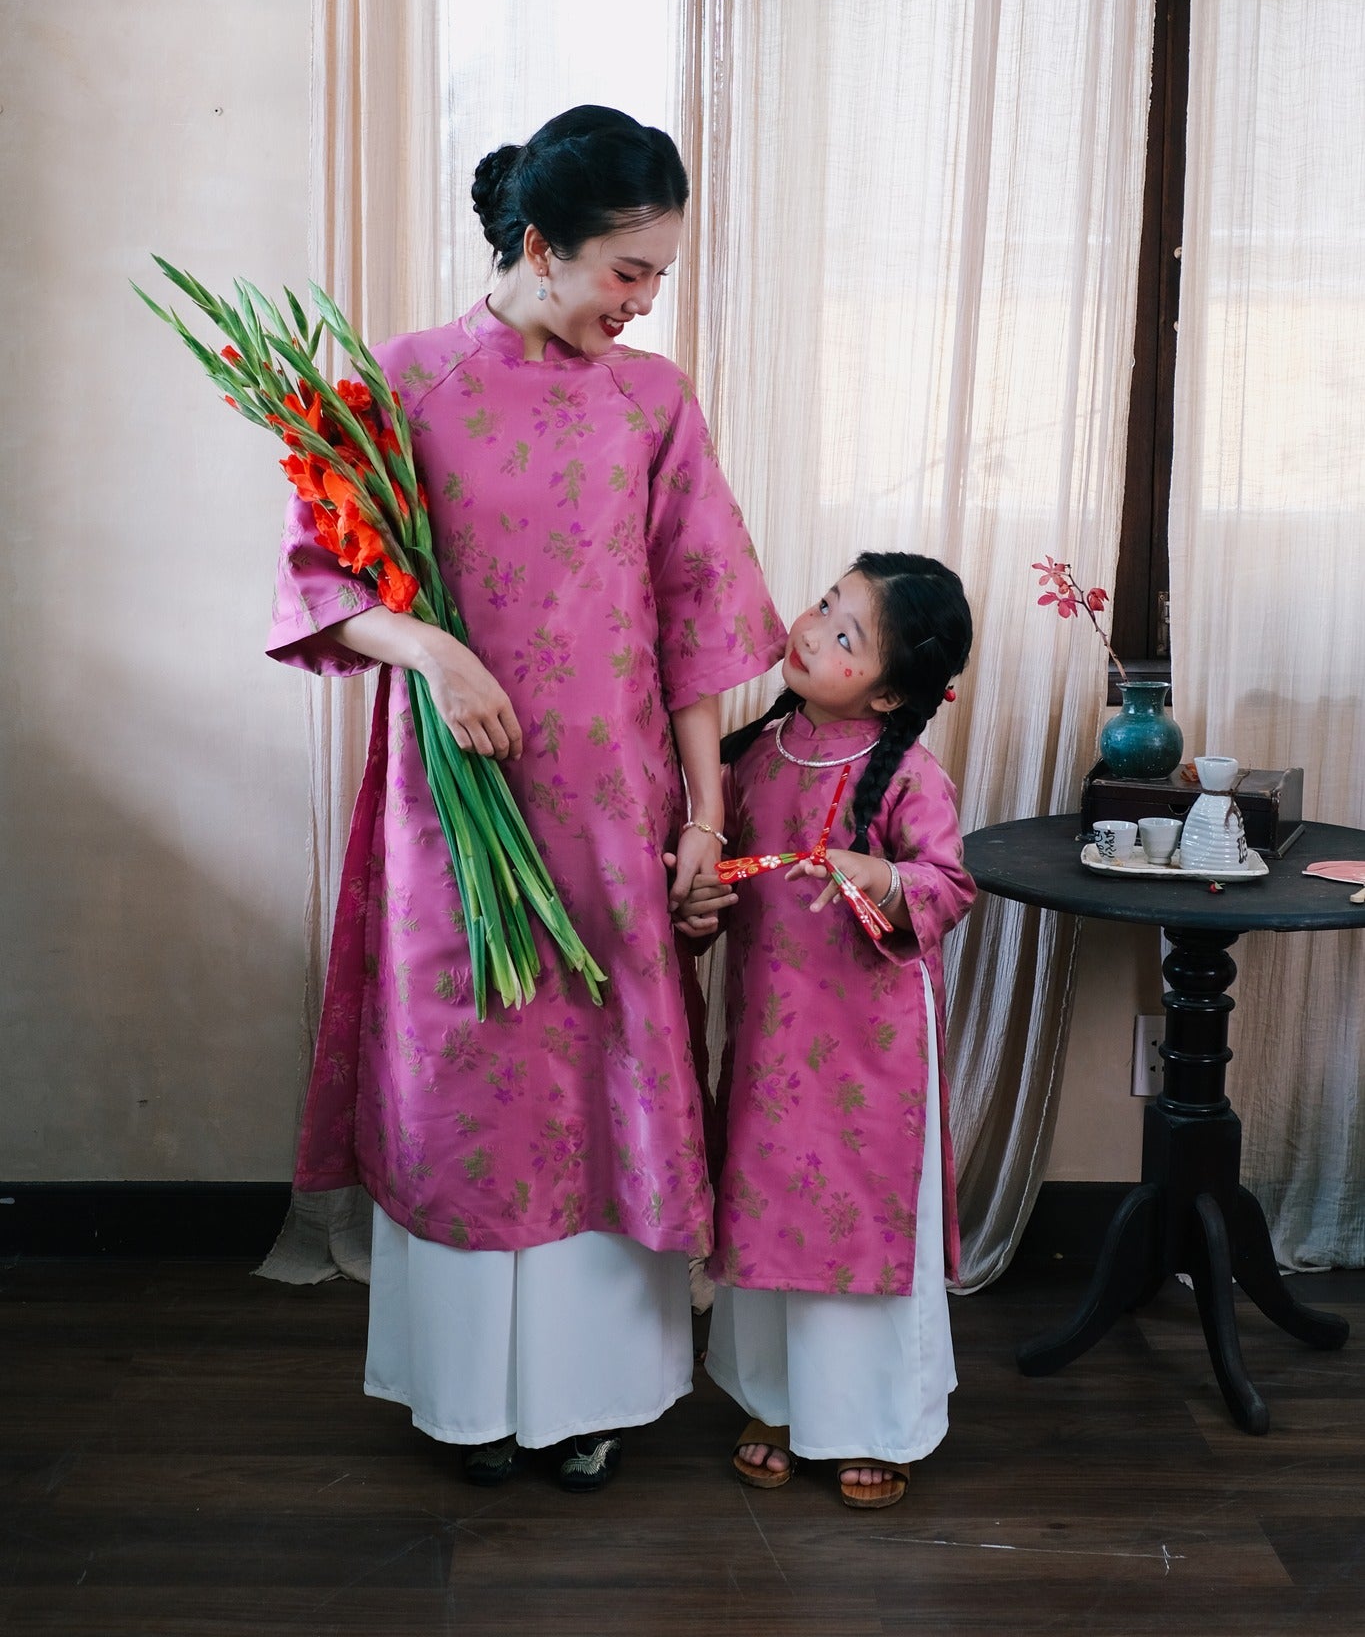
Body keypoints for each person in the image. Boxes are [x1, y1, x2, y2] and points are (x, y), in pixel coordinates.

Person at [267, 105, 784, 1490]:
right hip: (457, 805)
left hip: (614, 804)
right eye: (628, 272)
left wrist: (701, 813)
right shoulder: (405, 381)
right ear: (540, 246)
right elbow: (323, 582)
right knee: (468, 1079)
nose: (643, 303)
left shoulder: (655, 401)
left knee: (607, 1083)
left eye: (659, 278)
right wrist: (431, 649)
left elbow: (696, 617)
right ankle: (465, 1401)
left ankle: (589, 1398)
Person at [679, 553, 974, 1509]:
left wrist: (874, 871)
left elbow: (947, 885)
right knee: (766, 1209)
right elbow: (716, 882)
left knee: (860, 1224)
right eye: (823, 605)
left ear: (890, 690)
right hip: (771, 1041)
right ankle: (772, 1399)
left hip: (873, 1050)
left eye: (845, 635)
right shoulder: (748, 759)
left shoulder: (909, 777)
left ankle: (875, 1421)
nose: (810, 630)